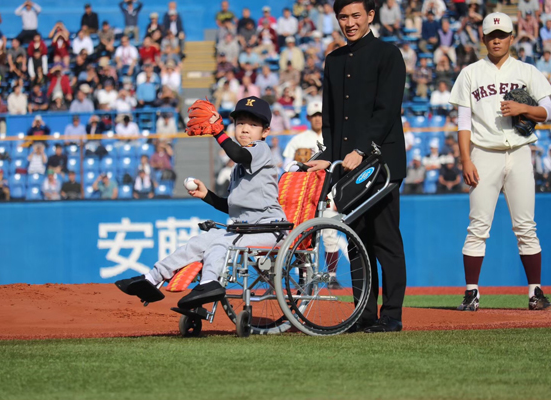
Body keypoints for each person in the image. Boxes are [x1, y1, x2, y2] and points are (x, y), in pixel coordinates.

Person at [115, 96, 287, 310]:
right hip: (245, 229)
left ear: (265, 132)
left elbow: (237, 153)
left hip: (271, 229)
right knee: (198, 242)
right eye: (240, 123)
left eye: (253, 124)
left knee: (220, 243)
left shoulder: (260, 150)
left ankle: (208, 283)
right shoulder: (238, 169)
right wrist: (207, 195)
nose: (245, 129)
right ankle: (152, 277)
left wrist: (218, 132)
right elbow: (231, 207)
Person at [306, 0, 407, 333]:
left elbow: (387, 110)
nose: (349, 23)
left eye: (355, 16)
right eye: (343, 17)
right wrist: (330, 157)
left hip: (381, 165)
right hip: (348, 168)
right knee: (356, 242)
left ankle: (391, 315)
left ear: (371, 16)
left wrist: (362, 149)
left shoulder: (388, 54)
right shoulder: (333, 60)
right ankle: (363, 314)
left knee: (385, 241)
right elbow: (332, 120)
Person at [449, 12, 551, 312]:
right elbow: (463, 121)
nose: (497, 39)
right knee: (478, 226)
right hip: (483, 153)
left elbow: (547, 108)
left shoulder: (527, 71)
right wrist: (466, 159)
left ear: (511, 37)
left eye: (502, 34)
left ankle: (535, 291)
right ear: (483, 38)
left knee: (526, 226)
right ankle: (471, 292)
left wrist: (523, 108)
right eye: (492, 35)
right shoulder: (470, 73)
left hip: (519, 152)